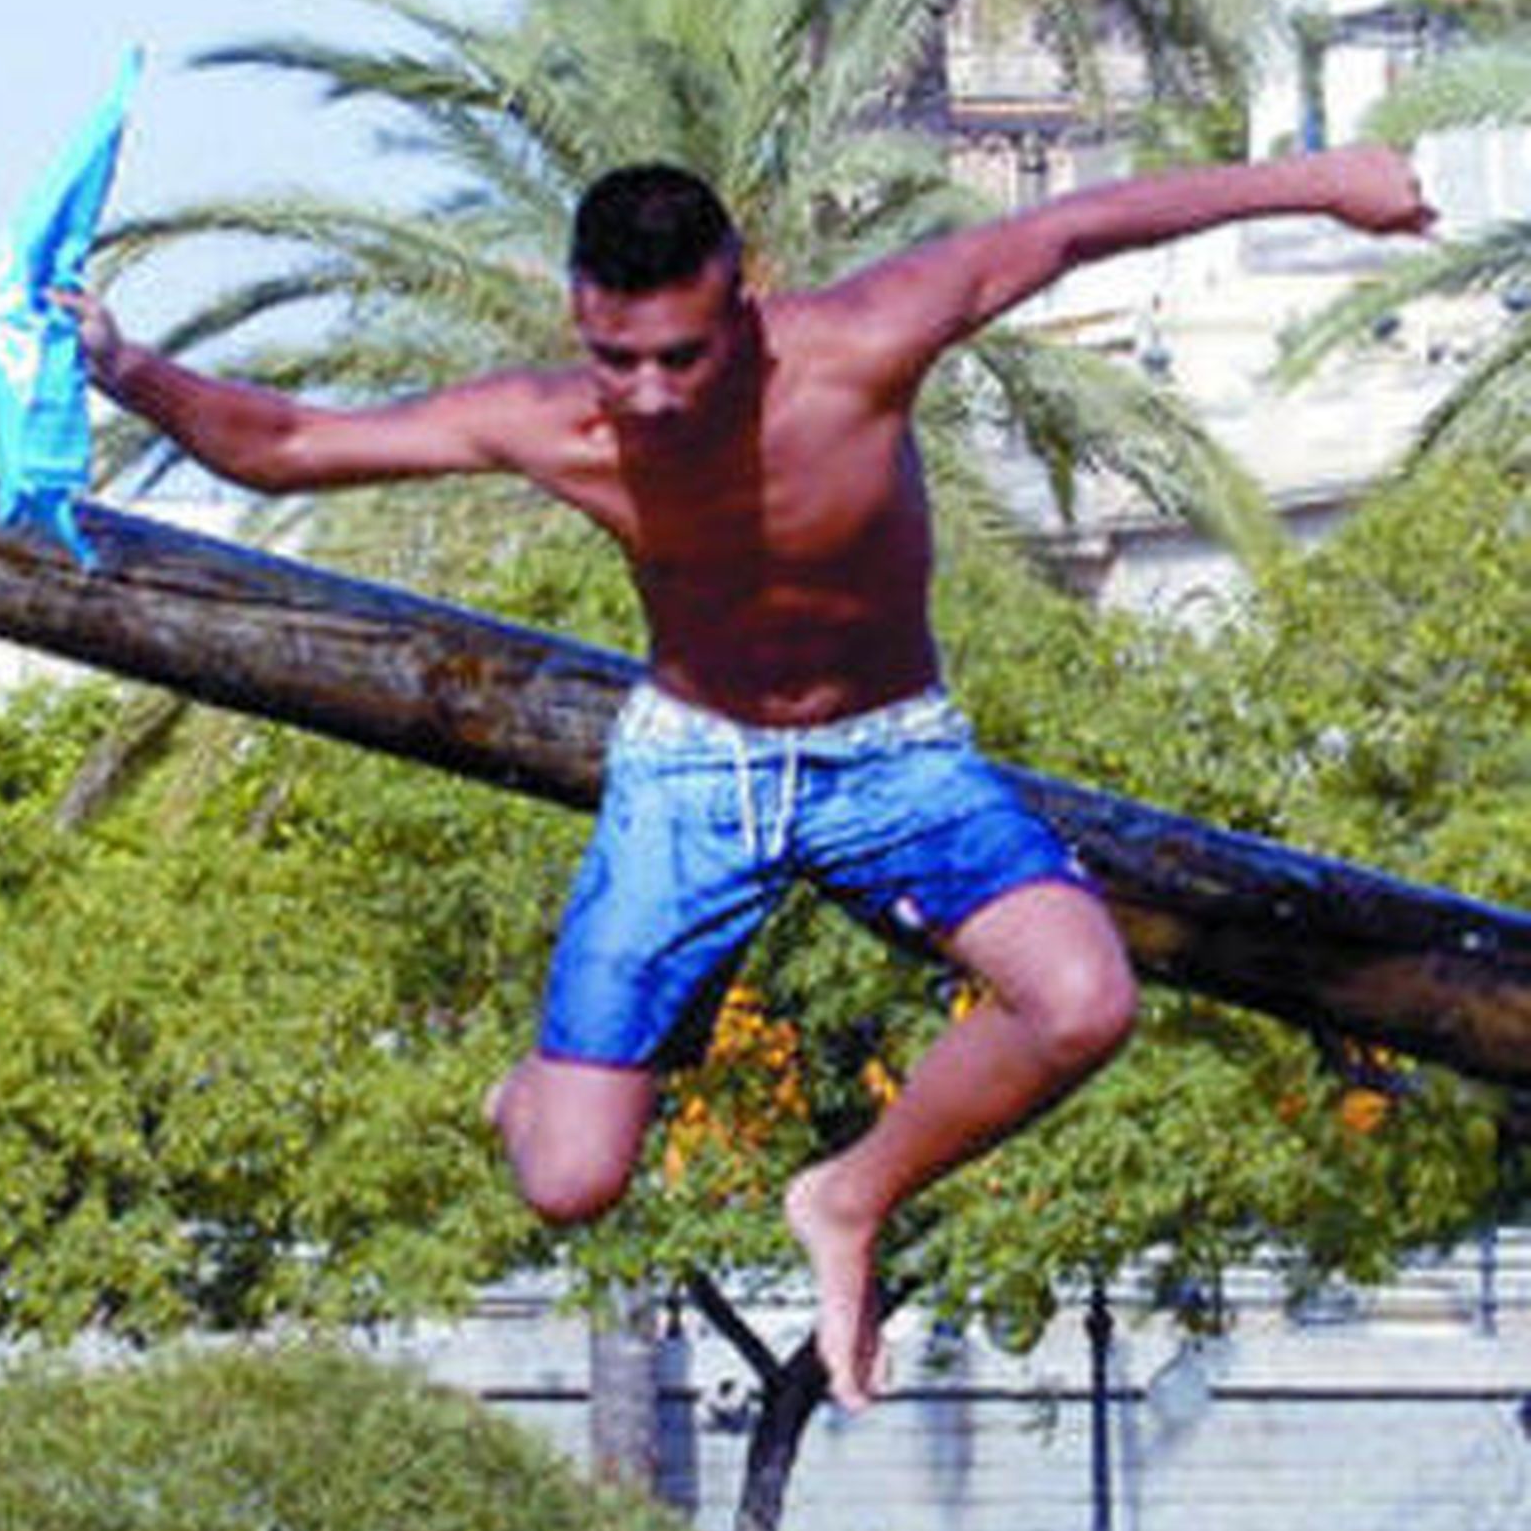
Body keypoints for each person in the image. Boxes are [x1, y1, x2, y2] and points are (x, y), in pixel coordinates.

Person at [71, 141, 1431, 1407]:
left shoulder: (866, 340)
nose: (652, 393)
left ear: (748, 300)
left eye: (683, 353)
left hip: (895, 759)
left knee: (1082, 1001)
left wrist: (1325, 180)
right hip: (691, 778)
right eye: (617, 358)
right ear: (577, 320)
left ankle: (848, 1196)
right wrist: (124, 364)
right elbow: (292, 443)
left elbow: (1075, 224)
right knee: (566, 1181)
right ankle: (538, 1089)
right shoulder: (557, 426)